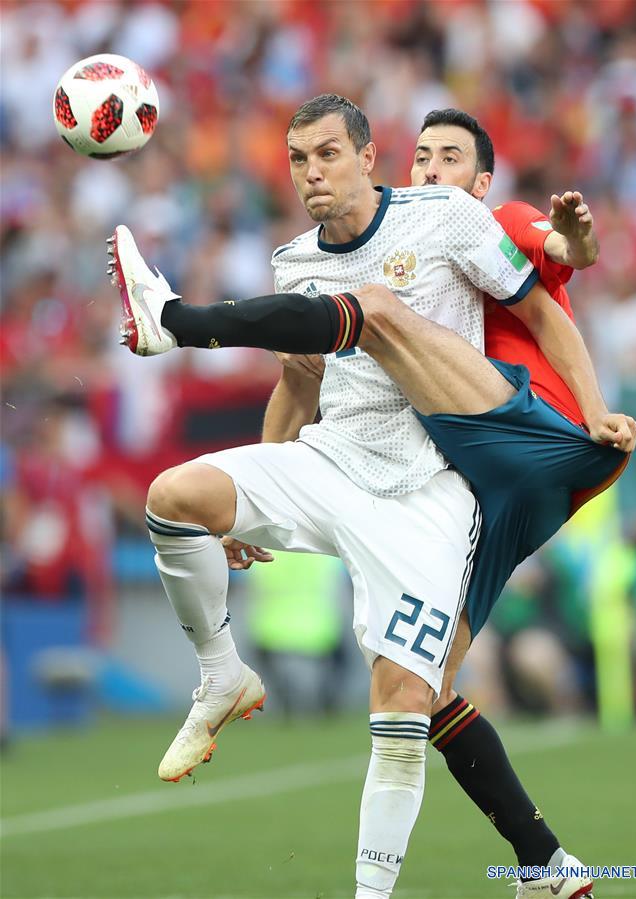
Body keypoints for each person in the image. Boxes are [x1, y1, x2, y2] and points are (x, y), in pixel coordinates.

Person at [109, 93, 559, 899]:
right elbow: (300, 381)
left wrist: (592, 401)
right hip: (332, 458)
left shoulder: (441, 218)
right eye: (297, 159)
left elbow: (544, 292)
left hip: (425, 487)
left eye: (327, 154)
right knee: (174, 495)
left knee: (407, 706)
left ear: (367, 158)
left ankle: (424, 885)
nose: (311, 172)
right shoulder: (294, 262)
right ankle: (222, 674)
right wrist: (254, 502)